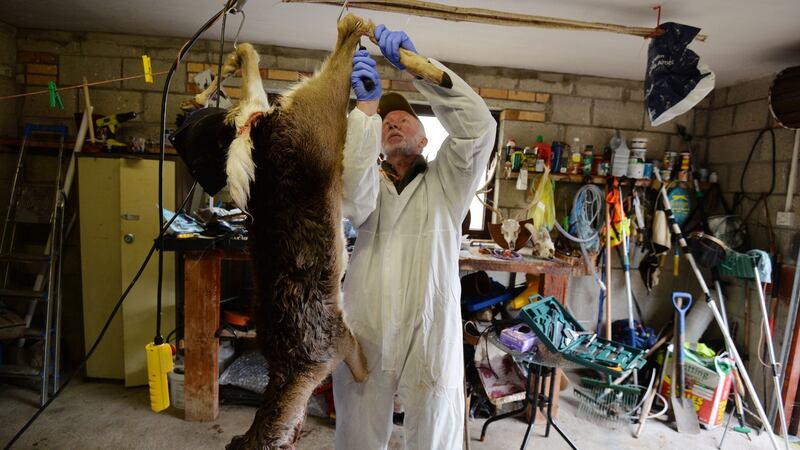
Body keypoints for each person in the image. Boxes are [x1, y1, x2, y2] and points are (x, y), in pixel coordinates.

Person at [332, 24, 496, 450]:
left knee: (436, 430)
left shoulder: (449, 182)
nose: (393, 123)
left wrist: (419, 69)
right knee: (357, 431)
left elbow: (479, 129)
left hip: (430, 323)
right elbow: (350, 195)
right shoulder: (370, 184)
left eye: (404, 118)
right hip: (368, 321)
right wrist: (365, 110)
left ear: (425, 139)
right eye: (386, 122)